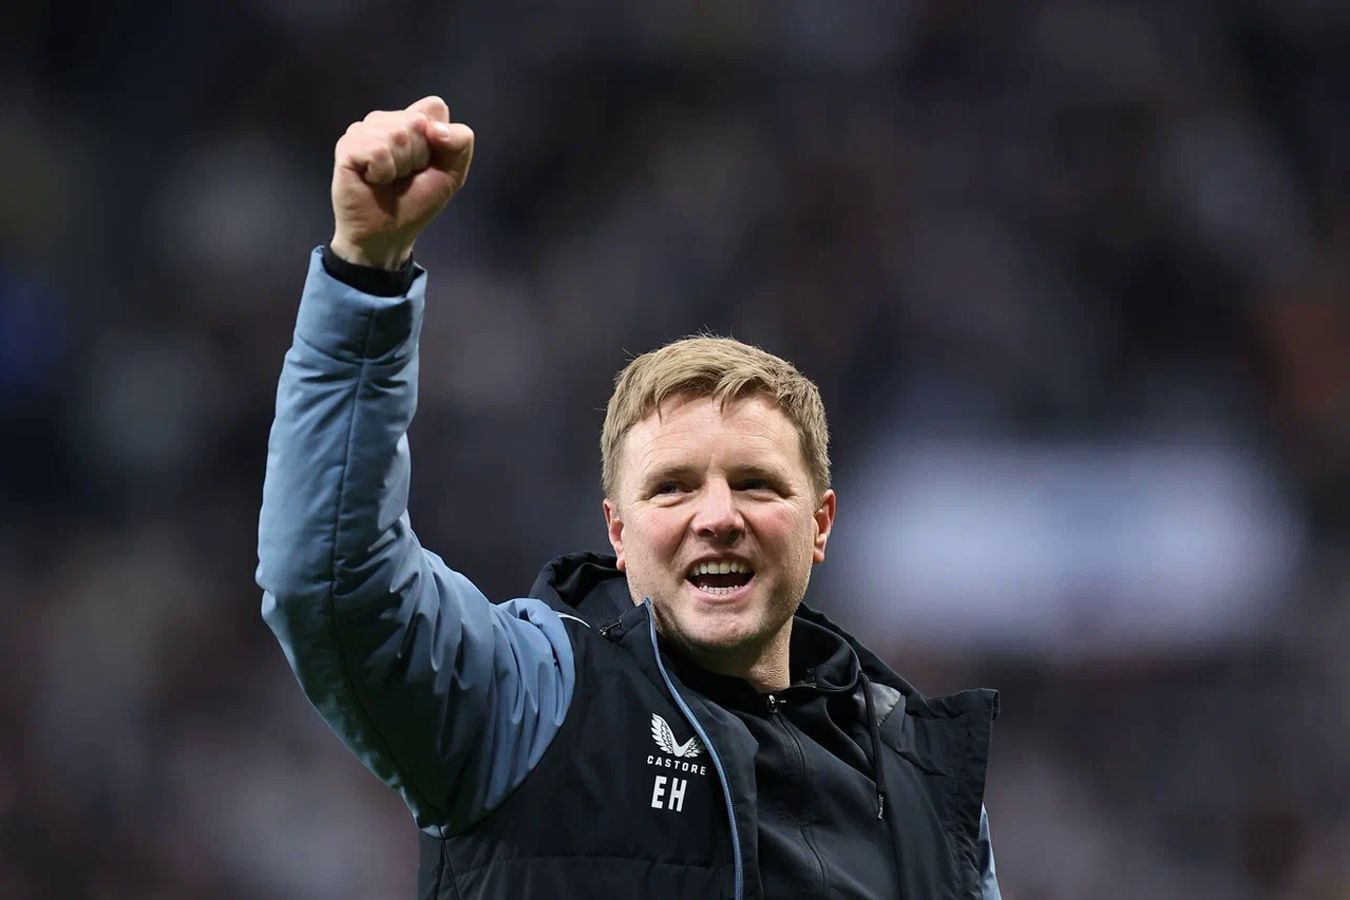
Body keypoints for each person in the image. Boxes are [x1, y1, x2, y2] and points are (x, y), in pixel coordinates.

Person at [258, 95, 1000, 899]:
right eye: (672, 488)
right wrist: (364, 278)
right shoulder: (525, 700)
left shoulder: (920, 784)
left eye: (754, 483)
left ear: (821, 523)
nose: (717, 518)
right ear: (617, 531)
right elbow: (333, 584)